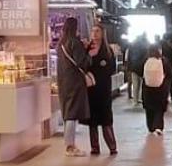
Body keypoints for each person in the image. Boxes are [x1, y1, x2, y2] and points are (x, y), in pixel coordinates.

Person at [56, 16, 91, 156]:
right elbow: (82, 62)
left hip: (63, 81)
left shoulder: (61, 43)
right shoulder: (74, 43)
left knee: (67, 111)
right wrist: (87, 52)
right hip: (74, 82)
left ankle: (70, 144)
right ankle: (70, 146)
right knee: (72, 113)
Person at [85, 23, 119, 156]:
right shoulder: (87, 49)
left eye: (97, 31)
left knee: (105, 119)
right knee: (92, 120)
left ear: (102, 33)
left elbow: (111, 69)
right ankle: (94, 147)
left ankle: (112, 146)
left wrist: (98, 70)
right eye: (93, 31)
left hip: (104, 90)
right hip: (91, 90)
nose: (94, 34)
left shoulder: (108, 50)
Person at [141, 44, 168, 135]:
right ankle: (158, 126)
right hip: (160, 89)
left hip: (147, 89)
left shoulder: (145, 60)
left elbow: (138, 69)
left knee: (149, 109)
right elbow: (170, 72)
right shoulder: (163, 60)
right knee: (159, 108)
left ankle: (150, 127)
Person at [126, 40, 148, 105]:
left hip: (133, 68)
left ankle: (135, 100)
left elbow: (128, 59)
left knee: (135, 85)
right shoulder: (144, 48)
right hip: (141, 69)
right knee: (141, 84)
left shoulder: (131, 48)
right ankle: (140, 98)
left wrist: (129, 68)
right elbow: (146, 59)